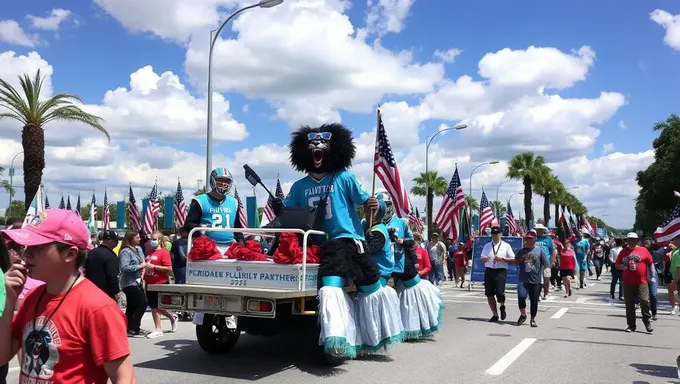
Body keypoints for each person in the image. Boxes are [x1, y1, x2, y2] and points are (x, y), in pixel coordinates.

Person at [0, 208, 135, 383]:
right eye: (26, 246)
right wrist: (10, 301)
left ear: (70, 254)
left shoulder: (98, 307)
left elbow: (125, 378)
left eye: (38, 247)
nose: (26, 254)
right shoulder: (32, 298)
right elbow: (2, 357)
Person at [184, 167, 245, 254]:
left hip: (230, 246)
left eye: (227, 181)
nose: (223, 184)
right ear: (213, 180)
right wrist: (200, 228)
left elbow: (237, 227)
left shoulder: (234, 202)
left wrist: (241, 242)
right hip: (207, 247)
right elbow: (188, 224)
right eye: (220, 180)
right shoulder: (200, 200)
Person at [616, 232, 654, 333]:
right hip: (628, 281)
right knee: (629, 305)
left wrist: (653, 276)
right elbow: (617, 264)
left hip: (642, 281)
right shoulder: (623, 251)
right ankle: (631, 325)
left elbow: (650, 263)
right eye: (629, 239)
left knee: (645, 301)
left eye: (633, 239)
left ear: (637, 240)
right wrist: (623, 266)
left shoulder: (643, 250)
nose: (631, 241)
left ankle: (647, 320)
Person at [144, 231, 178, 339]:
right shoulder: (149, 253)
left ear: (159, 240)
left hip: (160, 283)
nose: (151, 241)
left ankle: (158, 329)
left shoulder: (163, 252)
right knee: (155, 306)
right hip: (149, 283)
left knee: (155, 306)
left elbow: (169, 269)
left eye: (154, 239)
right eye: (151, 239)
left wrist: (154, 267)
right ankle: (172, 316)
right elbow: (146, 266)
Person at [511, 230, 548, 327]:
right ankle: (523, 315)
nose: (528, 240)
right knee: (521, 296)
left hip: (535, 280)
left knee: (534, 300)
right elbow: (516, 262)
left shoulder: (539, 250)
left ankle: (533, 319)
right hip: (523, 279)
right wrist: (523, 257)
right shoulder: (522, 250)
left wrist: (547, 276)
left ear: (535, 239)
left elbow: (546, 264)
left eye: (530, 239)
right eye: (527, 238)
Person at [480, 226, 515, 322]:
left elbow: (513, 259)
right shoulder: (487, 246)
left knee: (499, 292)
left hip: (500, 271)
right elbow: (481, 258)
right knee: (489, 293)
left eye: (497, 234)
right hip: (489, 270)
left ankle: (502, 305)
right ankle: (495, 314)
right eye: (494, 234)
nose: (495, 236)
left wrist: (502, 259)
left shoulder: (506, 246)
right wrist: (485, 259)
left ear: (501, 234)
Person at [118, 230, 149, 337]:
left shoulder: (139, 249)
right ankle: (133, 326)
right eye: (137, 237)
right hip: (129, 282)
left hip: (138, 280)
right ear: (131, 239)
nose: (139, 239)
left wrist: (143, 273)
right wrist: (139, 267)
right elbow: (124, 267)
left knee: (132, 306)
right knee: (142, 303)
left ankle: (132, 327)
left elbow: (143, 261)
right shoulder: (125, 252)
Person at [84, 229, 121, 300]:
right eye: (116, 240)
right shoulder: (110, 256)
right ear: (110, 241)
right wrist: (116, 291)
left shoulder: (91, 253)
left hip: (90, 289)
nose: (117, 242)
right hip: (106, 292)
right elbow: (112, 276)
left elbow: (85, 270)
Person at [533, 224, 555, 299]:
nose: (538, 231)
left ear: (543, 230)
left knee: (546, 278)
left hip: (546, 262)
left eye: (540, 229)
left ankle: (546, 293)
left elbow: (553, 250)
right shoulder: (534, 238)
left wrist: (553, 260)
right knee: (537, 279)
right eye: (537, 229)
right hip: (535, 262)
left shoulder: (548, 239)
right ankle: (538, 293)